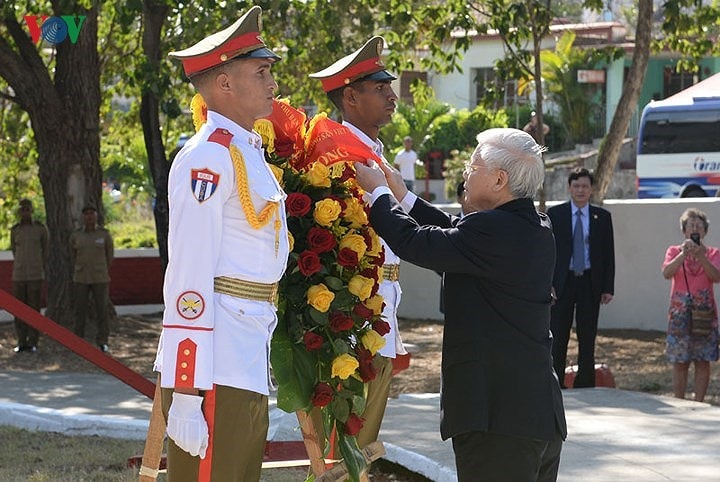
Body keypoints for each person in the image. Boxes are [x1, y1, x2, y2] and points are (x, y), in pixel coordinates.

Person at [354, 128, 566, 481]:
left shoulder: (495, 231)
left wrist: (377, 193)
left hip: (499, 422)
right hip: (533, 416)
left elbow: (416, 243)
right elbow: (455, 234)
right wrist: (403, 196)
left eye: (473, 165)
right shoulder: (531, 225)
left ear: (499, 180)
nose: (465, 172)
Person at [154, 6, 289, 481]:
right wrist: (187, 393)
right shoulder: (207, 156)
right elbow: (189, 276)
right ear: (224, 84)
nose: (274, 82)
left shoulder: (246, 152)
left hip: (245, 348)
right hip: (213, 361)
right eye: (262, 71)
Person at [309, 36, 407, 449]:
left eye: (389, 86)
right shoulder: (338, 153)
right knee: (346, 435)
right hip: (353, 307)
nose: (392, 95)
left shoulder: (373, 152)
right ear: (350, 96)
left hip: (380, 299)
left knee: (365, 434)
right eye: (379, 88)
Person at [547, 167, 615, 388]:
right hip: (562, 283)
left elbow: (608, 254)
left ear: (592, 189)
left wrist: (608, 287)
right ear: (569, 188)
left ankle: (585, 382)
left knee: (587, 336)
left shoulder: (602, 217)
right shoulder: (555, 215)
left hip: (589, 282)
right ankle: (556, 381)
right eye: (576, 186)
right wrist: (549, 284)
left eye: (585, 186)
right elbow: (547, 253)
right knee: (558, 335)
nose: (580, 190)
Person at [661, 208, 720, 402]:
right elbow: (667, 273)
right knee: (680, 361)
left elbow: (716, 277)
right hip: (679, 315)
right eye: (691, 226)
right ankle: (679, 401)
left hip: (704, 315)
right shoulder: (673, 251)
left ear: (705, 231)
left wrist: (701, 256)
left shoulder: (713, 253)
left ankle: (699, 402)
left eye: (699, 226)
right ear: (684, 231)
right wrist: (683, 255)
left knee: (703, 360)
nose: (695, 229)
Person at [70, 204, 114, 353]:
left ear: (96, 216)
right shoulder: (76, 235)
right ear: (83, 217)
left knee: (102, 310)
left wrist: (102, 269)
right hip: (81, 277)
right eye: (86, 213)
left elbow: (109, 256)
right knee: (79, 310)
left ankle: (103, 341)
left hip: (100, 277)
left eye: (92, 213)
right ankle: (78, 342)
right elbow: (72, 256)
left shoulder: (104, 234)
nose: (89, 216)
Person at [10, 199, 48, 353]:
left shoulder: (40, 229)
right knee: (19, 310)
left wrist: (38, 265)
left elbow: (45, 250)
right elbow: (14, 249)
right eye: (22, 210)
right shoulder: (15, 230)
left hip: (34, 274)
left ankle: (33, 341)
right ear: (20, 212)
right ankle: (21, 341)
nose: (25, 212)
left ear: (32, 211)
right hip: (19, 275)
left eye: (27, 209)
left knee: (34, 309)